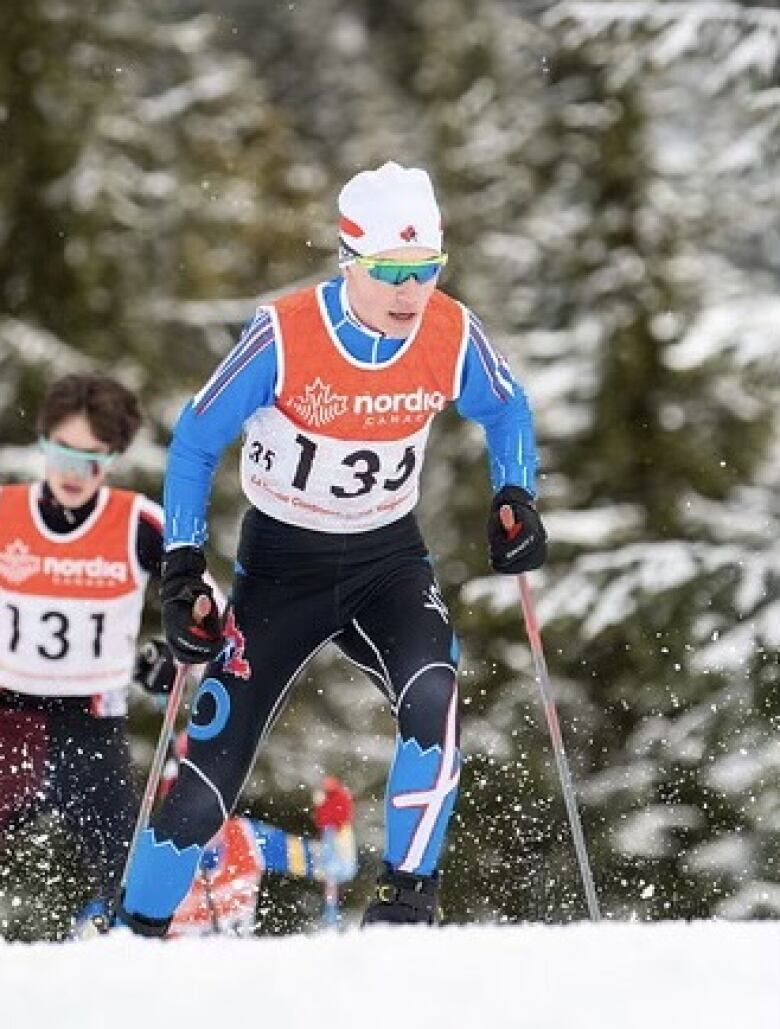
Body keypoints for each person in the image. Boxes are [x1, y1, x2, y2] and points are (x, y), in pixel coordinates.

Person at [117, 160, 546, 935]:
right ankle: (134, 937)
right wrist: (181, 568)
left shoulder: (449, 332)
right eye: (391, 272)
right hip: (282, 568)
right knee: (205, 781)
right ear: (350, 259)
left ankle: (404, 911)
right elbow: (195, 439)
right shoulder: (285, 332)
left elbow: (509, 410)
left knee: (435, 697)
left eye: (426, 269)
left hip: (389, 560)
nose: (410, 292)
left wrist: (514, 494)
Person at [0, 374, 166, 932]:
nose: (74, 473)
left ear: (115, 459)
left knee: (126, 876)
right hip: (7, 719)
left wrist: (172, 652)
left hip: (91, 725)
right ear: (43, 442)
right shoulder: (5, 512)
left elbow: (205, 608)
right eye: (63, 452)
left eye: (92, 459)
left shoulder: (138, 521)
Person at [153, 733, 356, 937]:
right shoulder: (149, 852)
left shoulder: (248, 838)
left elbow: (336, 866)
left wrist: (338, 826)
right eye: (185, 797)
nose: (201, 811)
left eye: (213, 793)